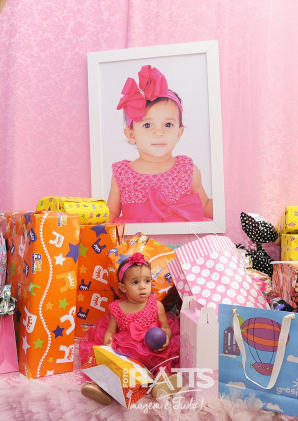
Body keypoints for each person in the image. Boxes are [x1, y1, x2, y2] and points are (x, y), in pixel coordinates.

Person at [107, 65, 213, 223]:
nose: (159, 132)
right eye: (147, 125)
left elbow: (204, 206)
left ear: (179, 132)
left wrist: (227, 200)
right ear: (131, 134)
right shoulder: (122, 174)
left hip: (180, 238)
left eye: (168, 125)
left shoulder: (188, 170)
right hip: (136, 239)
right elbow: (110, 214)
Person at [80, 253, 182, 405]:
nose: (143, 286)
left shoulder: (156, 305)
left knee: (164, 363)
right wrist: (108, 344)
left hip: (153, 350)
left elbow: (166, 327)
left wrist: (166, 338)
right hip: (128, 352)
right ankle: (103, 389)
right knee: (115, 366)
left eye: (147, 281)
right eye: (135, 282)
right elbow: (110, 331)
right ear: (123, 287)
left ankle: (160, 384)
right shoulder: (117, 308)